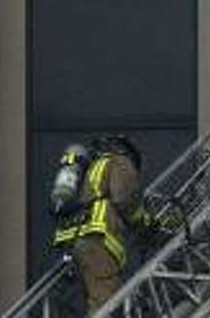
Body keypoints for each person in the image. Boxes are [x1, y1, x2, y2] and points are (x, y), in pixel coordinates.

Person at [50, 134, 155, 314]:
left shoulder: (91, 168)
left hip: (73, 242)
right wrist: (144, 221)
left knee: (99, 298)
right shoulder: (120, 162)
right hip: (96, 242)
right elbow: (124, 200)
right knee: (104, 303)